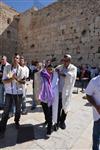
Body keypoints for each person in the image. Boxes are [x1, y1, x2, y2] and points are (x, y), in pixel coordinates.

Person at [0, 53, 25, 138]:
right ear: (12, 58)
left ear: (19, 60)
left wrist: (17, 79)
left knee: (18, 110)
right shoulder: (7, 68)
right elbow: (4, 81)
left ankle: (16, 121)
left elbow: (23, 82)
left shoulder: (22, 69)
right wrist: (12, 78)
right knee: (6, 111)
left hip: (18, 93)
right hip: (9, 93)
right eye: (14, 58)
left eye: (17, 58)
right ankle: (2, 128)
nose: (15, 59)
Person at [56, 54, 77, 129]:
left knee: (65, 107)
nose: (65, 62)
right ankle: (56, 121)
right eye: (64, 60)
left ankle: (62, 122)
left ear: (70, 61)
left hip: (67, 91)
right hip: (59, 90)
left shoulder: (73, 68)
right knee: (58, 107)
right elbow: (54, 71)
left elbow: (71, 75)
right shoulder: (60, 67)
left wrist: (61, 73)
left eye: (67, 60)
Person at [39, 64, 59, 135]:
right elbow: (39, 85)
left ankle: (49, 128)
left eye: (51, 69)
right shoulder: (42, 75)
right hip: (44, 98)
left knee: (49, 114)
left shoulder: (55, 77)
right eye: (48, 69)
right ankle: (47, 120)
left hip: (51, 99)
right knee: (45, 112)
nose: (50, 71)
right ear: (46, 69)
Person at [85, 75, 100, 150]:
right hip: (99, 116)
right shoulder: (94, 81)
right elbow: (88, 95)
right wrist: (97, 106)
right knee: (96, 136)